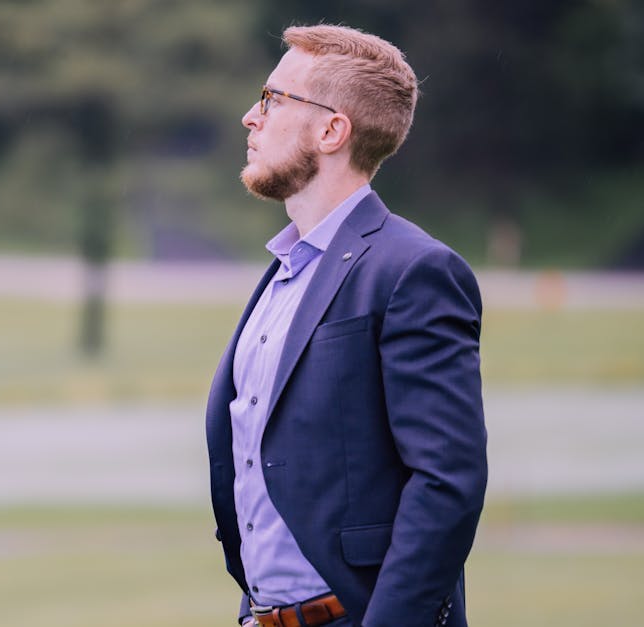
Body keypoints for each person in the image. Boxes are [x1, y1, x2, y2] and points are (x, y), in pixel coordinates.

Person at [205, 24, 488, 627]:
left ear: (332, 130)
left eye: (272, 99)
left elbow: (446, 483)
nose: (249, 118)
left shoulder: (414, 270)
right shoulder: (283, 272)